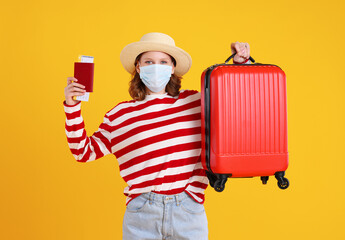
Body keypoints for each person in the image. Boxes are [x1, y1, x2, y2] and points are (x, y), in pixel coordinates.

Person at [63, 32, 251, 240]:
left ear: (172, 68)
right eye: (149, 61)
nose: (156, 66)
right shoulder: (119, 115)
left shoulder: (195, 102)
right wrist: (72, 107)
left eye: (163, 61)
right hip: (142, 213)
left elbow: (235, 105)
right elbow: (83, 152)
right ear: (138, 67)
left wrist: (239, 65)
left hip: (188, 210)